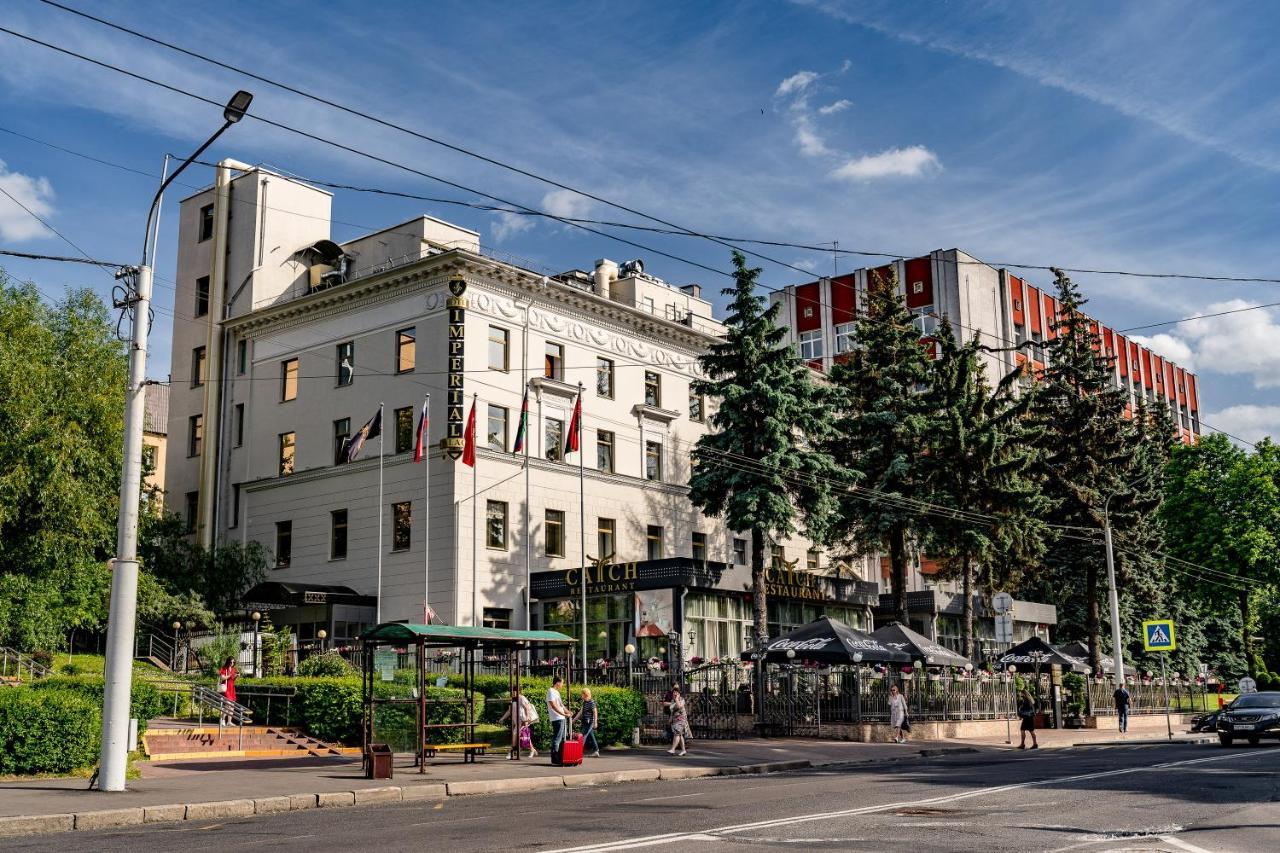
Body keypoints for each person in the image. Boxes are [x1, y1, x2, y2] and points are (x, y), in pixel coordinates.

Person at [497, 687, 539, 759]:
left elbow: (527, 707)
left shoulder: (521, 698)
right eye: (512, 691)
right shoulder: (512, 699)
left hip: (522, 721)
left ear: (518, 691)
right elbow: (509, 711)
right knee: (524, 736)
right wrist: (502, 718)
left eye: (514, 691)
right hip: (517, 721)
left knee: (515, 734)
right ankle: (532, 750)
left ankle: (511, 752)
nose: (513, 693)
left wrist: (527, 719)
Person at [546, 676, 571, 761]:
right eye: (562, 683)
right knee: (557, 738)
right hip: (557, 718)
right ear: (558, 683)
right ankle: (554, 757)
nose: (562, 685)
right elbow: (553, 706)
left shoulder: (556, 692)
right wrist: (563, 713)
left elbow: (561, 705)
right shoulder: (551, 691)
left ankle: (560, 756)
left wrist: (568, 712)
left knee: (562, 738)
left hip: (561, 717)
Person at [574, 688, 601, 758]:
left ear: (585, 694)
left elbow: (595, 712)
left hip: (590, 722)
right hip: (585, 722)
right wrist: (574, 720)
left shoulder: (591, 702)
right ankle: (596, 751)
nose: (581, 695)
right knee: (591, 736)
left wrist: (595, 722)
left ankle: (578, 753)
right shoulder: (584, 702)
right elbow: (580, 712)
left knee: (583, 735)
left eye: (582, 694)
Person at [667, 686, 690, 755]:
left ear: (679, 694)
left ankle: (673, 749)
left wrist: (677, 699)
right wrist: (670, 719)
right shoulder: (672, 700)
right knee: (680, 735)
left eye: (676, 692)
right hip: (675, 720)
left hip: (681, 720)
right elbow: (672, 711)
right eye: (674, 692)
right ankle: (683, 750)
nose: (674, 693)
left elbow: (680, 706)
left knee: (676, 734)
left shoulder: (682, 700)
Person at [217, 657, 238, 726]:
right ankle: (222, 719)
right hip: (226, 688)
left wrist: (236, 676)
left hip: (232, 688)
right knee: (228, 704)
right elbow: (222, 677)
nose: (232, 664)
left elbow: (233, 679)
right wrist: (230, 675)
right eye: (231, 662)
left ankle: (229, 721)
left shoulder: (234, 669)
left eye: (233, 662)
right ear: (228, 662)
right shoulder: (224, 668)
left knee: (232, 705)